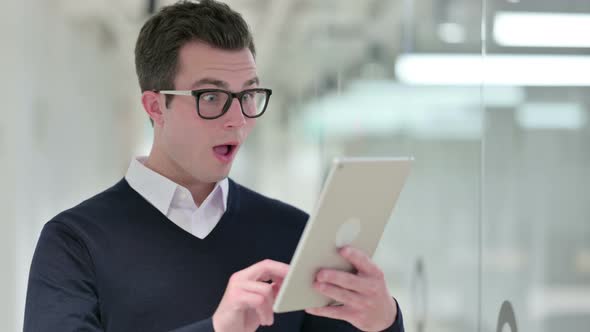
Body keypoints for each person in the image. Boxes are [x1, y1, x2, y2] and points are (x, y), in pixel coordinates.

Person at [23, 1, 404, 331]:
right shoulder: (74, 243)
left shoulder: (293, 234)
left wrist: (383, 320)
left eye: (248, 95)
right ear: (156, 107)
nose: (237, 119)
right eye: (212, 96)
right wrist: (218, 329)